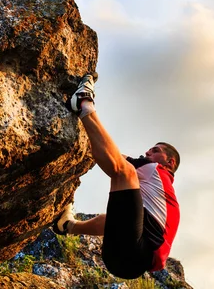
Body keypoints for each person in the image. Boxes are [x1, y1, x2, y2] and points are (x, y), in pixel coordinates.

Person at [53, 73, 180, 279]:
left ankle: (84, 101)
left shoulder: (156, 171)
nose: (148, 153)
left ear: (170, 162)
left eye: (155, 150)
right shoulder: (161, 195)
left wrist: (87, 120)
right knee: (112, 219)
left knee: (125, 172)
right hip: (125, 264)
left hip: (134, 252)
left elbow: (116, 159)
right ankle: (68, 226)